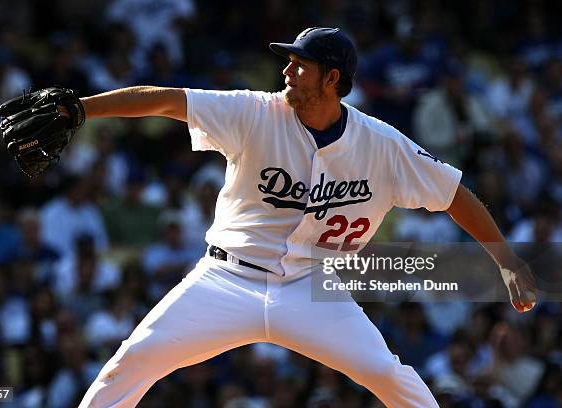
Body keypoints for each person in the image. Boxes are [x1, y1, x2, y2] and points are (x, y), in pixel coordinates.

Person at [57, 27, 537, 407]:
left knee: (390, 377)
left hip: (312, 289)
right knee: (130, 365)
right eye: (289, 61)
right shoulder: (255, 112)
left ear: (332, 80)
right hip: (226, 278)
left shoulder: (382, 145)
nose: (287, 70)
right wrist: (81, 109)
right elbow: (165, 98)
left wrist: (506, 260)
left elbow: (454, 194)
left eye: (300, 64)